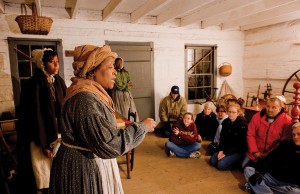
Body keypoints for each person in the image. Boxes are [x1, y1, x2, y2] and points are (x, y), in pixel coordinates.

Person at [49, 45, 156, 194]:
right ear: (92, 71)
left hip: (84, 161)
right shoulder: (85, 100)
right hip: (82, 168)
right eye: (110, 67)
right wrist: (142, 127)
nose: (115, 72)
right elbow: (110, 145)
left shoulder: (89, 93)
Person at [16, 49, 67, 194]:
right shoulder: (34, 84)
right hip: (40, 133)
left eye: (57, 61)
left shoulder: (59, 81)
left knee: (58, 172)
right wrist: (44, 143)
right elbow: (35, 115)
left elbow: (65, 105)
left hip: (57, 132)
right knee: (43, 173)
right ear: (42, 64)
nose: (56, 65)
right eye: (52, 62)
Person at [244, 122, 300, 194]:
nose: (295, 137)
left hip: (290, 185)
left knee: (295, 192)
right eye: (293, 134)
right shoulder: (286, 144)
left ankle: (262, 190)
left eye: (299, 134)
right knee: (248, 170)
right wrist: (260, 172)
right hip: (272, 178)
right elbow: (269, 159)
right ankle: (267, 191)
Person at [242, 97, 292, 168]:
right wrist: (255, 151)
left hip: (272, 154)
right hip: (255, 152)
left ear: (280, 109)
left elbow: (283, 142)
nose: (270, 110)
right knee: (243, 166)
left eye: (273, 107)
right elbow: (250, 135)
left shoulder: (287, 121)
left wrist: (267, 154)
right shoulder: (257, 117)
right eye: (268, 106)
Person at [209, 103, 248, 170]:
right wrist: (221, 150)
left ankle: (238, 163)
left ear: (238, 113)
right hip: (225, 148)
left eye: (233, 112)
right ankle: (227, 160)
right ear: (227, 112)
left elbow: (240, 144)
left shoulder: (242, 124)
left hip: (237, 151)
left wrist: (225, 153)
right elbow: (222, 139)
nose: (230, 114)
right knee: (212, 161)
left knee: (220, 165)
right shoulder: (225, 122)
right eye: (229, 112)